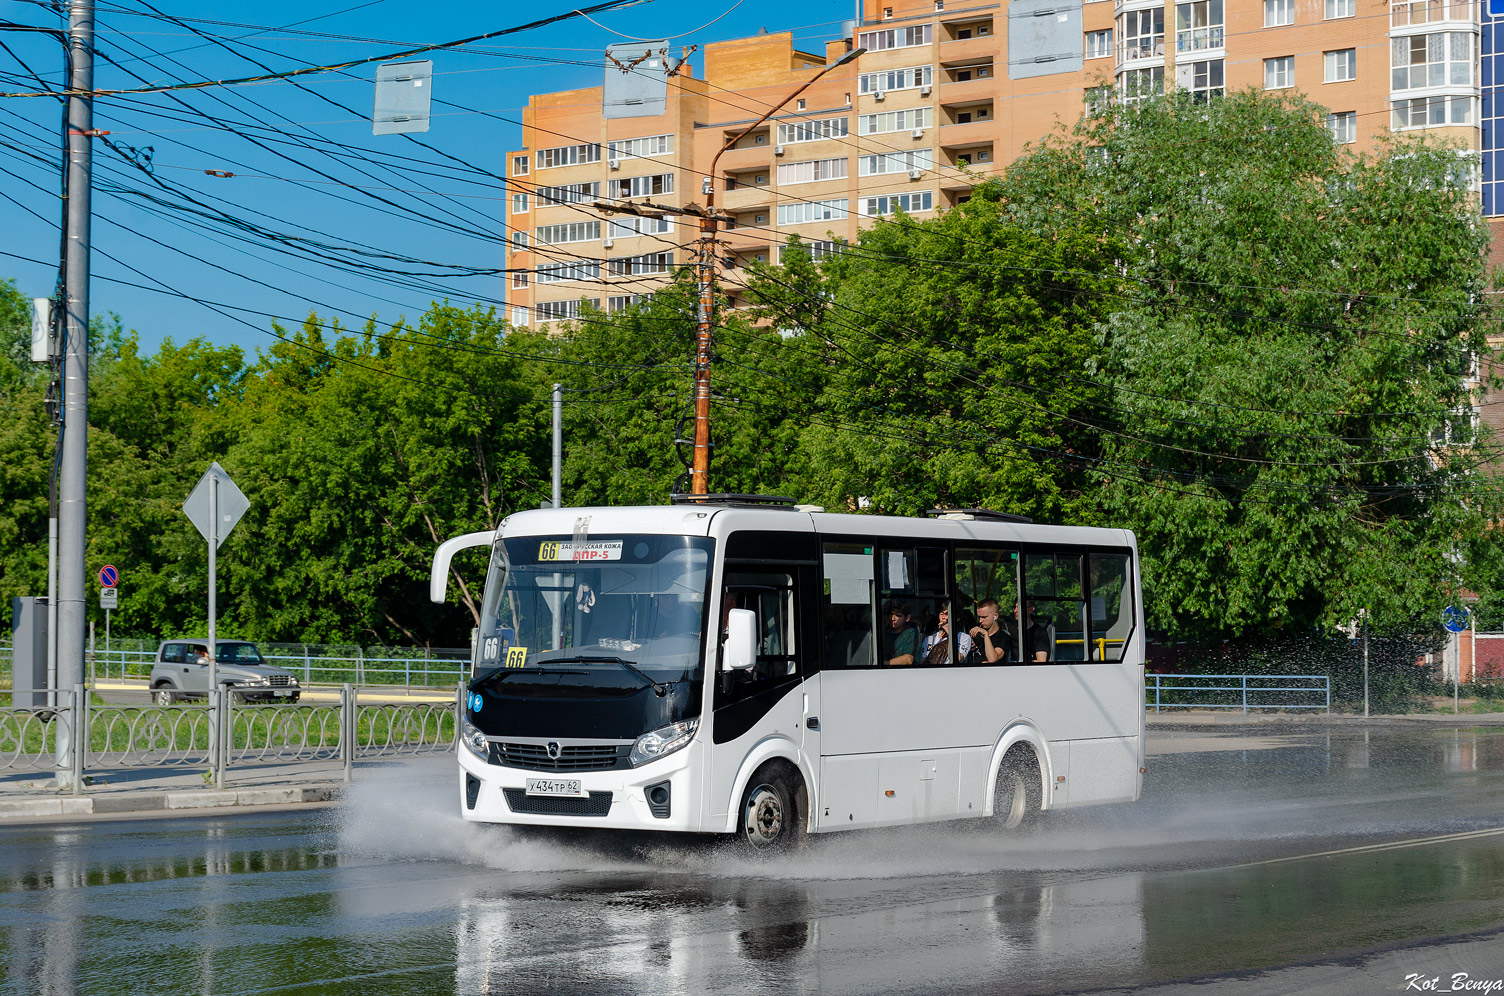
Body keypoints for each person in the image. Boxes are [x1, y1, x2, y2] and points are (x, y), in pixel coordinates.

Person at [968, 598, 1012, 663]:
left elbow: (992, 659)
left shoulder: (1004, 637)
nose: (980, 621)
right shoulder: (975, 633)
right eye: (979, 617)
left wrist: (986, 634)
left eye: (984, 617)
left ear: (995, 616)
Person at [883, 601, 920, 666]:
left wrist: (884, 663)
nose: (893, 618)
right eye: (891, 614)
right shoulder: (885, 632)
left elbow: (908, 659)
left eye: (898, 615)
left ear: (907, 618)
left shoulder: (911, 632)